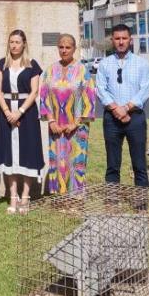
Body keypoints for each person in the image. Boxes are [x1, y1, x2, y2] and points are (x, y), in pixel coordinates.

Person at [0, 29, 44, 214]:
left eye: (17, 42)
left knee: (27, 152)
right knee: (9, 154)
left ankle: (25, 197)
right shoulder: (2, 64)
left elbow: (34, 91)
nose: (14, 45)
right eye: (11, 42)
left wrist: (20, 112)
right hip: (6, 112)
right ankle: (13, 197)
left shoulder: (32, 65)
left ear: (24, 44)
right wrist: (7, 111)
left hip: (27, 113)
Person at [95, 24, 149, 188]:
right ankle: (113, 202)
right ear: (112, 40)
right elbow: (101, 89)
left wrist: (126, 108)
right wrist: (115, 108)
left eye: (124, 38)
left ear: (130, 40)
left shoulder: (141, 64)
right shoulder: (105, 64)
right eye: (117, 38)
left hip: (135, 118)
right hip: (111, 118)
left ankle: (141, 204)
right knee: (112, 164)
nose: (121, 42)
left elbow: (144, 90)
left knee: (139, 163)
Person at [39, 34, 95, 195]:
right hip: (55, 126)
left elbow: (89, 97)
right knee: (57, 161)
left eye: (68, 47)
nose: (64, 50)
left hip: (77, 127)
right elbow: (43, 96)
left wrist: (76, 123)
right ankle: (58, 197)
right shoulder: (50, 70)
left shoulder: (82, 70)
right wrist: (51, 121)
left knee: (76, 161)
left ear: (74, 49)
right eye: (61, 47)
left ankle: (75, 199)